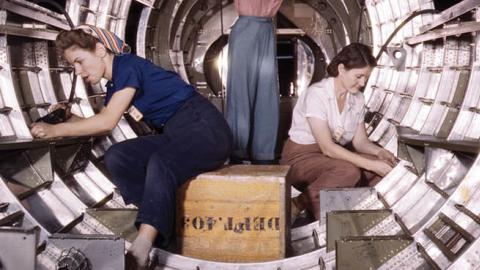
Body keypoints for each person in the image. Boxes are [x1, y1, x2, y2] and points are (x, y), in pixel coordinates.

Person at [30, 25, 232, 269]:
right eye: (73, 66)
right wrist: (66, 118)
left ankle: (142, 248)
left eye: (80, 62)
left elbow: (106, 122)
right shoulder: (115, 86)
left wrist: (55, 131)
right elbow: (97, 123)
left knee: (161, 162)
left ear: (100, 50)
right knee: (118, 156)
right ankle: (158, 223)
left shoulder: (128, 66)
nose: (78, 71)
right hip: (176, 133)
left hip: (206, 130)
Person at [280, 43, 396, 221]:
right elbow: (327, 147)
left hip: (332, 158)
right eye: (358, 76)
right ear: (341, 69)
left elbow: (360, 142)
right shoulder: (317, 94)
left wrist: (380, 153)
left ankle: (359, 215)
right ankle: (300, 204)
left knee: (379, 168)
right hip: (301, 159)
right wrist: (370, 164)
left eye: (366, 77)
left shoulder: (357, 98)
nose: (363, 83)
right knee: (348, 171)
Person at [226, 0, 283, 164]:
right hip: (246, 27)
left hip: (266, 28)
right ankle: (237, 151)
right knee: (240, 92)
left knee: (267, 94)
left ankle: (264, 153)